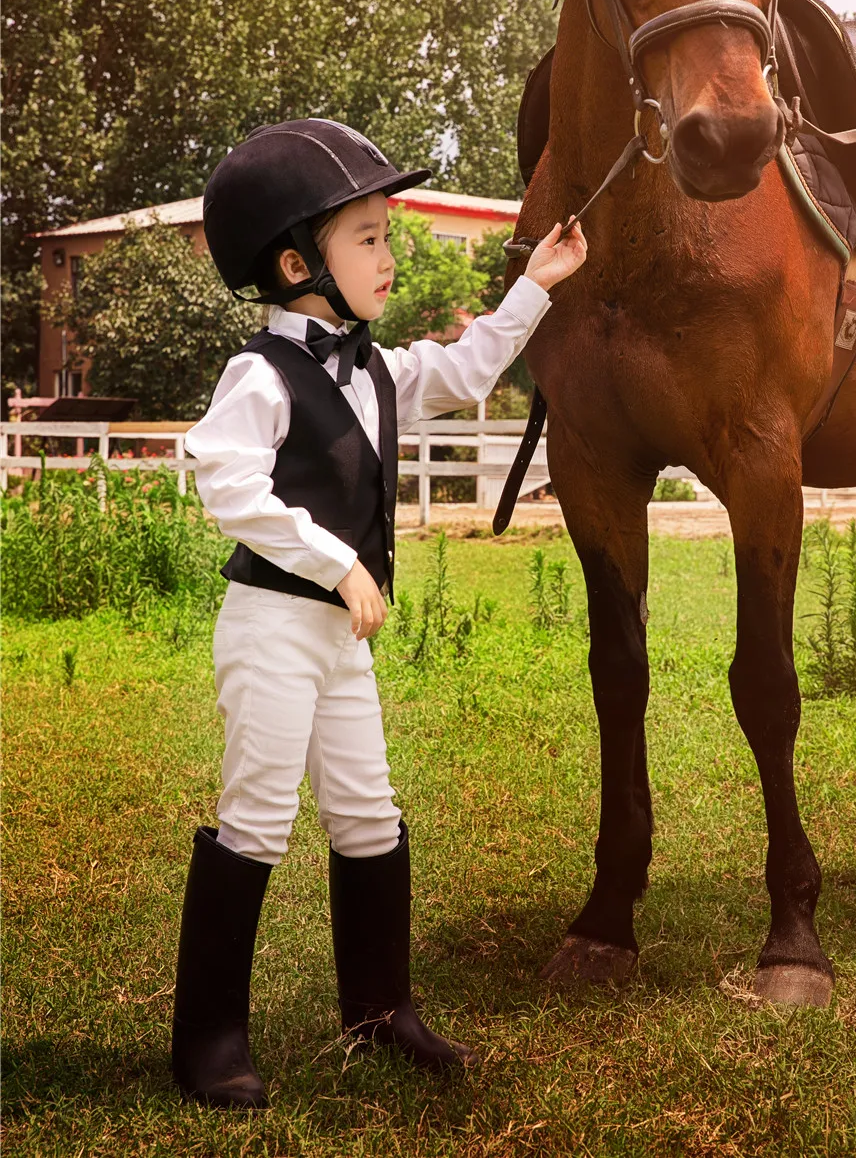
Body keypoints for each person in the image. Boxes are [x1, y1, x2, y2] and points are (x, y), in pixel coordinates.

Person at [173, 118, 586, 1108]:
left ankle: (379, 1009)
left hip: (336, 641)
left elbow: (466, 367)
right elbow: (225, 483)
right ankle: (208, 1040)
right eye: (367, 237)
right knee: (258, 820)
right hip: (273, 628)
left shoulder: (376, 371)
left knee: (367, 813)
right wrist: (337, 566)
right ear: (295, 261)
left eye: (385, 235)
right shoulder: (258, 375)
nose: (389, 256)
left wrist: (539, 282)